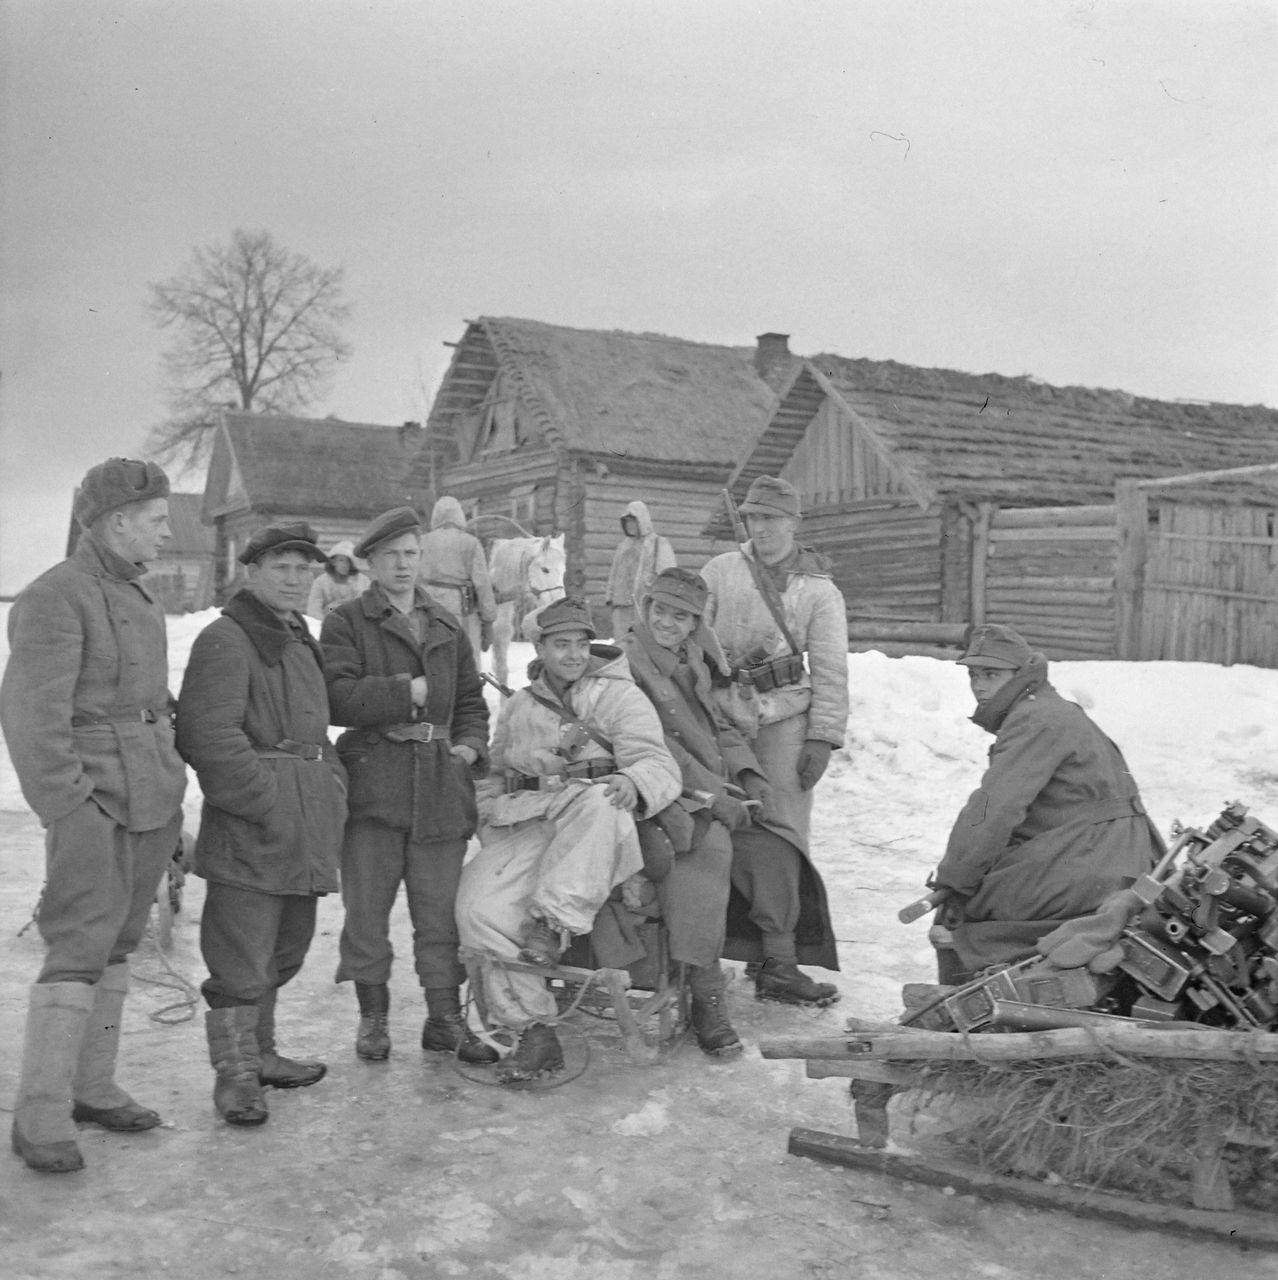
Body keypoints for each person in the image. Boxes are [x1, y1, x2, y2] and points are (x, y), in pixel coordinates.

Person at [0, 457, 187, 1173]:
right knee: (78, 944)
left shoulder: (140, 599)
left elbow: (151, 709)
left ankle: (92, 1085)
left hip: (150, 797)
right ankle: (41, 1112)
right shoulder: (54, 597)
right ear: (117, 521)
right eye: (157, 521)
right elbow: (31, 717)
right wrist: (69, 808)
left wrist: (170, 793)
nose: (168, 534)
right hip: (92, 803)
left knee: (119, 944)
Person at [455, 596, 682, 1083]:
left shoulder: (620, 696)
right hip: (531, 823)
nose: (575, 655)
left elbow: (660, 764)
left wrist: (634, 781)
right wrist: (487, 813)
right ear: (540, 647)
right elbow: (497, 775)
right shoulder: (518, 705)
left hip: (596, 826)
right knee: (478, 909)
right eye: (562, 645)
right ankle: (534, 1032)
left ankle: (552, 926)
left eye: (582, 644)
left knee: (601, 797)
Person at [177, 522, 348, 1127]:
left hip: (302, 825)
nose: (297, 578)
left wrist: (328, 792)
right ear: (251, 572)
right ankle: (237, 1076)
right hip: (253, 829)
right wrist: (264, 800)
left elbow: (314, 735)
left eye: (306, 568)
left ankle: (264, 1053)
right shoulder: (227, 638)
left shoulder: (300, 637)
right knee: (240, 958)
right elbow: (206, 734)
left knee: (285, 951)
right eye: (282, 566)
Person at [320, 506, 494, 1065]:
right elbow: (336, 697)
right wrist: (403, 692)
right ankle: (373, 1018)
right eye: (391, 555)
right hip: (375, 784)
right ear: (370, 562)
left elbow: (471, 700)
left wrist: (469, 747)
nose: (402, 564)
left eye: (412, 554)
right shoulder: (346, 621)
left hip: (442, 786)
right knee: (367, 912)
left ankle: (443, 1019)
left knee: (439, 913)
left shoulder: (445, 622)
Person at [929, 623, 1163, 982]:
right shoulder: (1052, 709)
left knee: (960, 910)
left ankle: (968, 1012)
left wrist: (954, 880)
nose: (978, 685)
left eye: (991, 674)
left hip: (1093, 860)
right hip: (1122, 855)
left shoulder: (1034, 719)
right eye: (974, 674)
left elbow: (992, 811)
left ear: (1021, 674)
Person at [701, 475, 847, 1007]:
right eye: (753, 518)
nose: (761, 528)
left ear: (794, 522)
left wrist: (823, 739)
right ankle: (710, 948)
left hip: (786, 717)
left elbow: (831, 671)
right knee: (720, 825)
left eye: (771, 518)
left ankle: (779, 962)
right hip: (722, 715)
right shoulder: (720, 571)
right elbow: (693, 640)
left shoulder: (819, 590)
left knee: (783, 833)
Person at [617, 567, 772, 1056]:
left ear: (693, 624)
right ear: (645, 609)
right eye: (660, 610)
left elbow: (717, 724)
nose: (666, 622)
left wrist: (747, 773)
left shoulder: (693, 660)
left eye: (680, 616)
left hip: (701, 783)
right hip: (655, 786)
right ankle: (707, 997)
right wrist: (714, 796)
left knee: (780, 847)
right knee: (703, 856)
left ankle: (781, 962)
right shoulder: (628, 664)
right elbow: (659, 746)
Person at [417, 496, 497, 658]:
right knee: (464, 658)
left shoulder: (421, 542)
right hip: (460, 610)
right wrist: (488, 621)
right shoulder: (470, 543)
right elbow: (482, 584)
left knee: (431, 655)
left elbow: (414, 577)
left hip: (426, 608)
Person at [603, 500, 675, 639]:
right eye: (627, 522)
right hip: (622, 605)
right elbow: (614, 573)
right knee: (622, 644)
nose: (630, 526)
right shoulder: (623, 547)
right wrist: (610, 597)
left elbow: (668, 576)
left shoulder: (658, 544)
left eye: (633, 521)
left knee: (645, 645)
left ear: (642, 520)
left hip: (646, 606)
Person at [306, 540, 368, 620]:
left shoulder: (362, 581)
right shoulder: (321, 582)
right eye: (341, 560)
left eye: (348, 562)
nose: (345, 565)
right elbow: (313, 608)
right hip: (327, 621)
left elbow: (364, 605)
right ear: (333, 562)